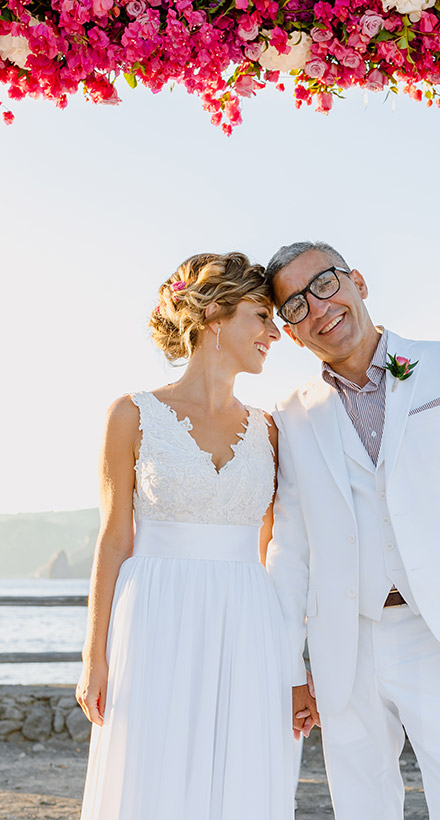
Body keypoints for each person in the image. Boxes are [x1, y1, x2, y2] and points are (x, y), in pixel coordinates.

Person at [265, 241, 440, 820]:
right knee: (362, 808)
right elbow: (289, 550)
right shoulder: (291, 416)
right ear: (290, 332)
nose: (317, 309)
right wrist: (290, 669)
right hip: (346, 642)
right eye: (294, 307)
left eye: (324, 285)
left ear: (358, 281)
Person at [76, 252, 296, 820]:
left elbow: (278, 550)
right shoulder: (131, 414)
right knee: (152, 774)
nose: (275, 333)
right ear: (216, 318)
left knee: (240, 777)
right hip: (154, 616)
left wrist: (296, 663)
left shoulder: (270, 431)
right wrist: (94, 655)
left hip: (248, 621)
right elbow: (114, 540)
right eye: (261, 315)